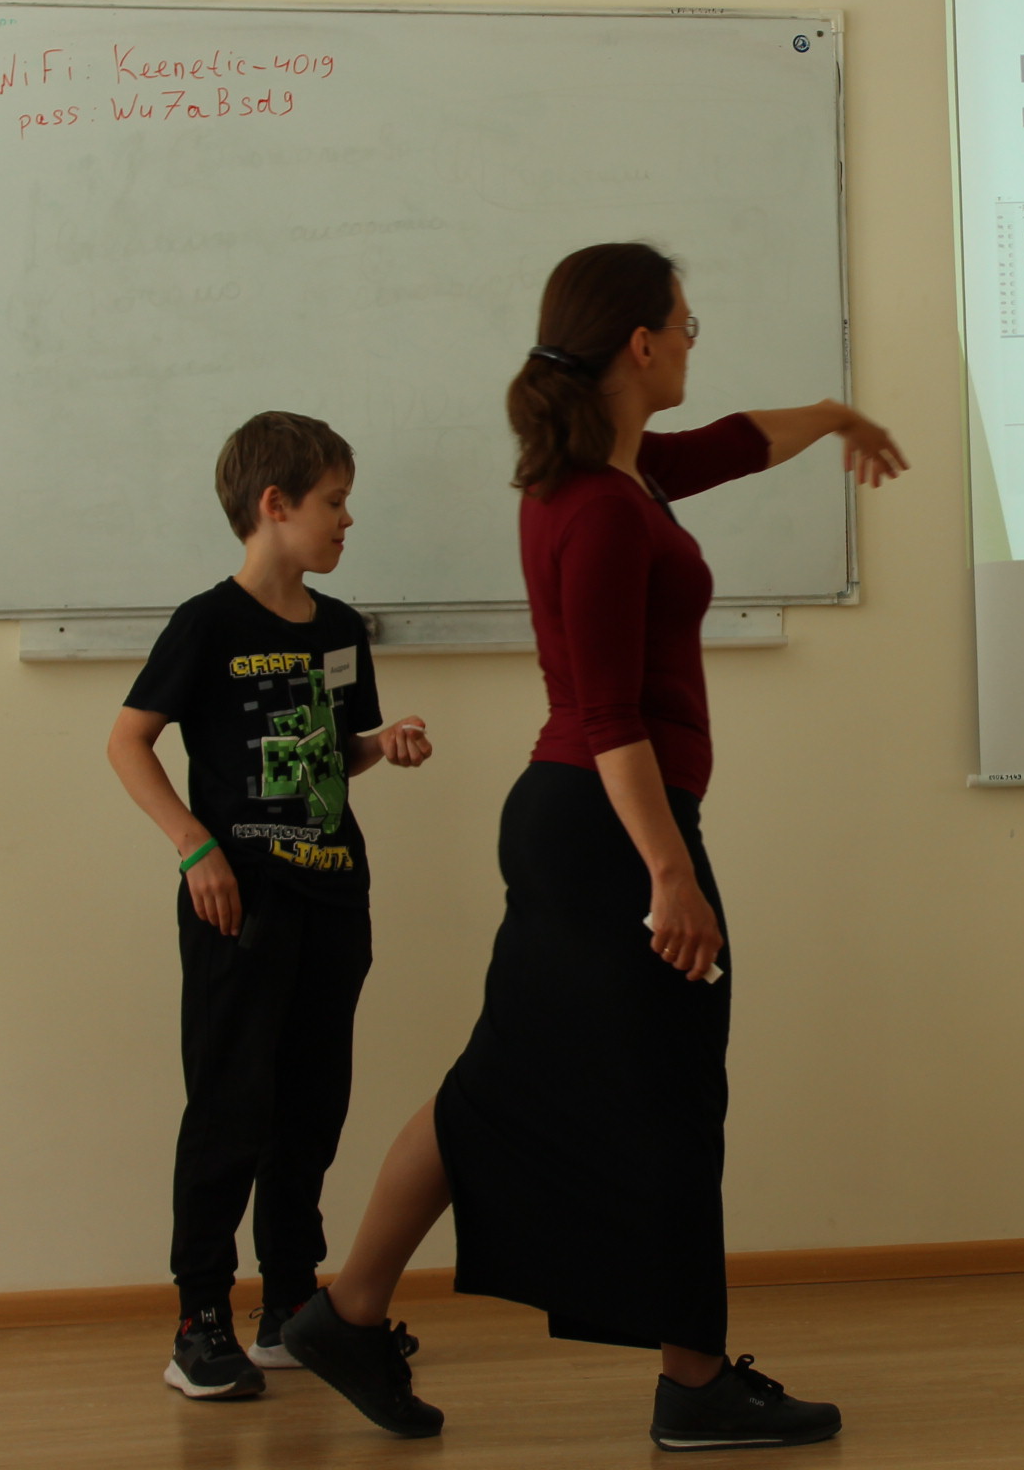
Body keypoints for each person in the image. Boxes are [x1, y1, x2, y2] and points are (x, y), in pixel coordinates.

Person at [285, 242, 906, 1450]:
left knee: (501, 1084)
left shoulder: (615, 478)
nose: (694, 341)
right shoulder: (605, 511)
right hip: (610, 829)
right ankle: (694, 1386)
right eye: (686, 323)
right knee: (670, 1096)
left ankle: (349, 1311)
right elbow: (615, 718)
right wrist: (671, 873)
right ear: (640, 342)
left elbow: (732, 443)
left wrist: (836, 416)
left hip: (580, 822)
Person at [107, 411, 434, 1402]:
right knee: (230, 1108)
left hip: (333, 896)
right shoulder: (207, 623)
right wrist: (194, 846)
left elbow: (327, 757)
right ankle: (199, 1320)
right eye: (335, 502)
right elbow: (128, 742)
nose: (348, 521)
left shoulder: (339, 629)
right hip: (238, 908)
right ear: (275, 504)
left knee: (310, 1108)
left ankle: (291, 1305)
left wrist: (384, 744)